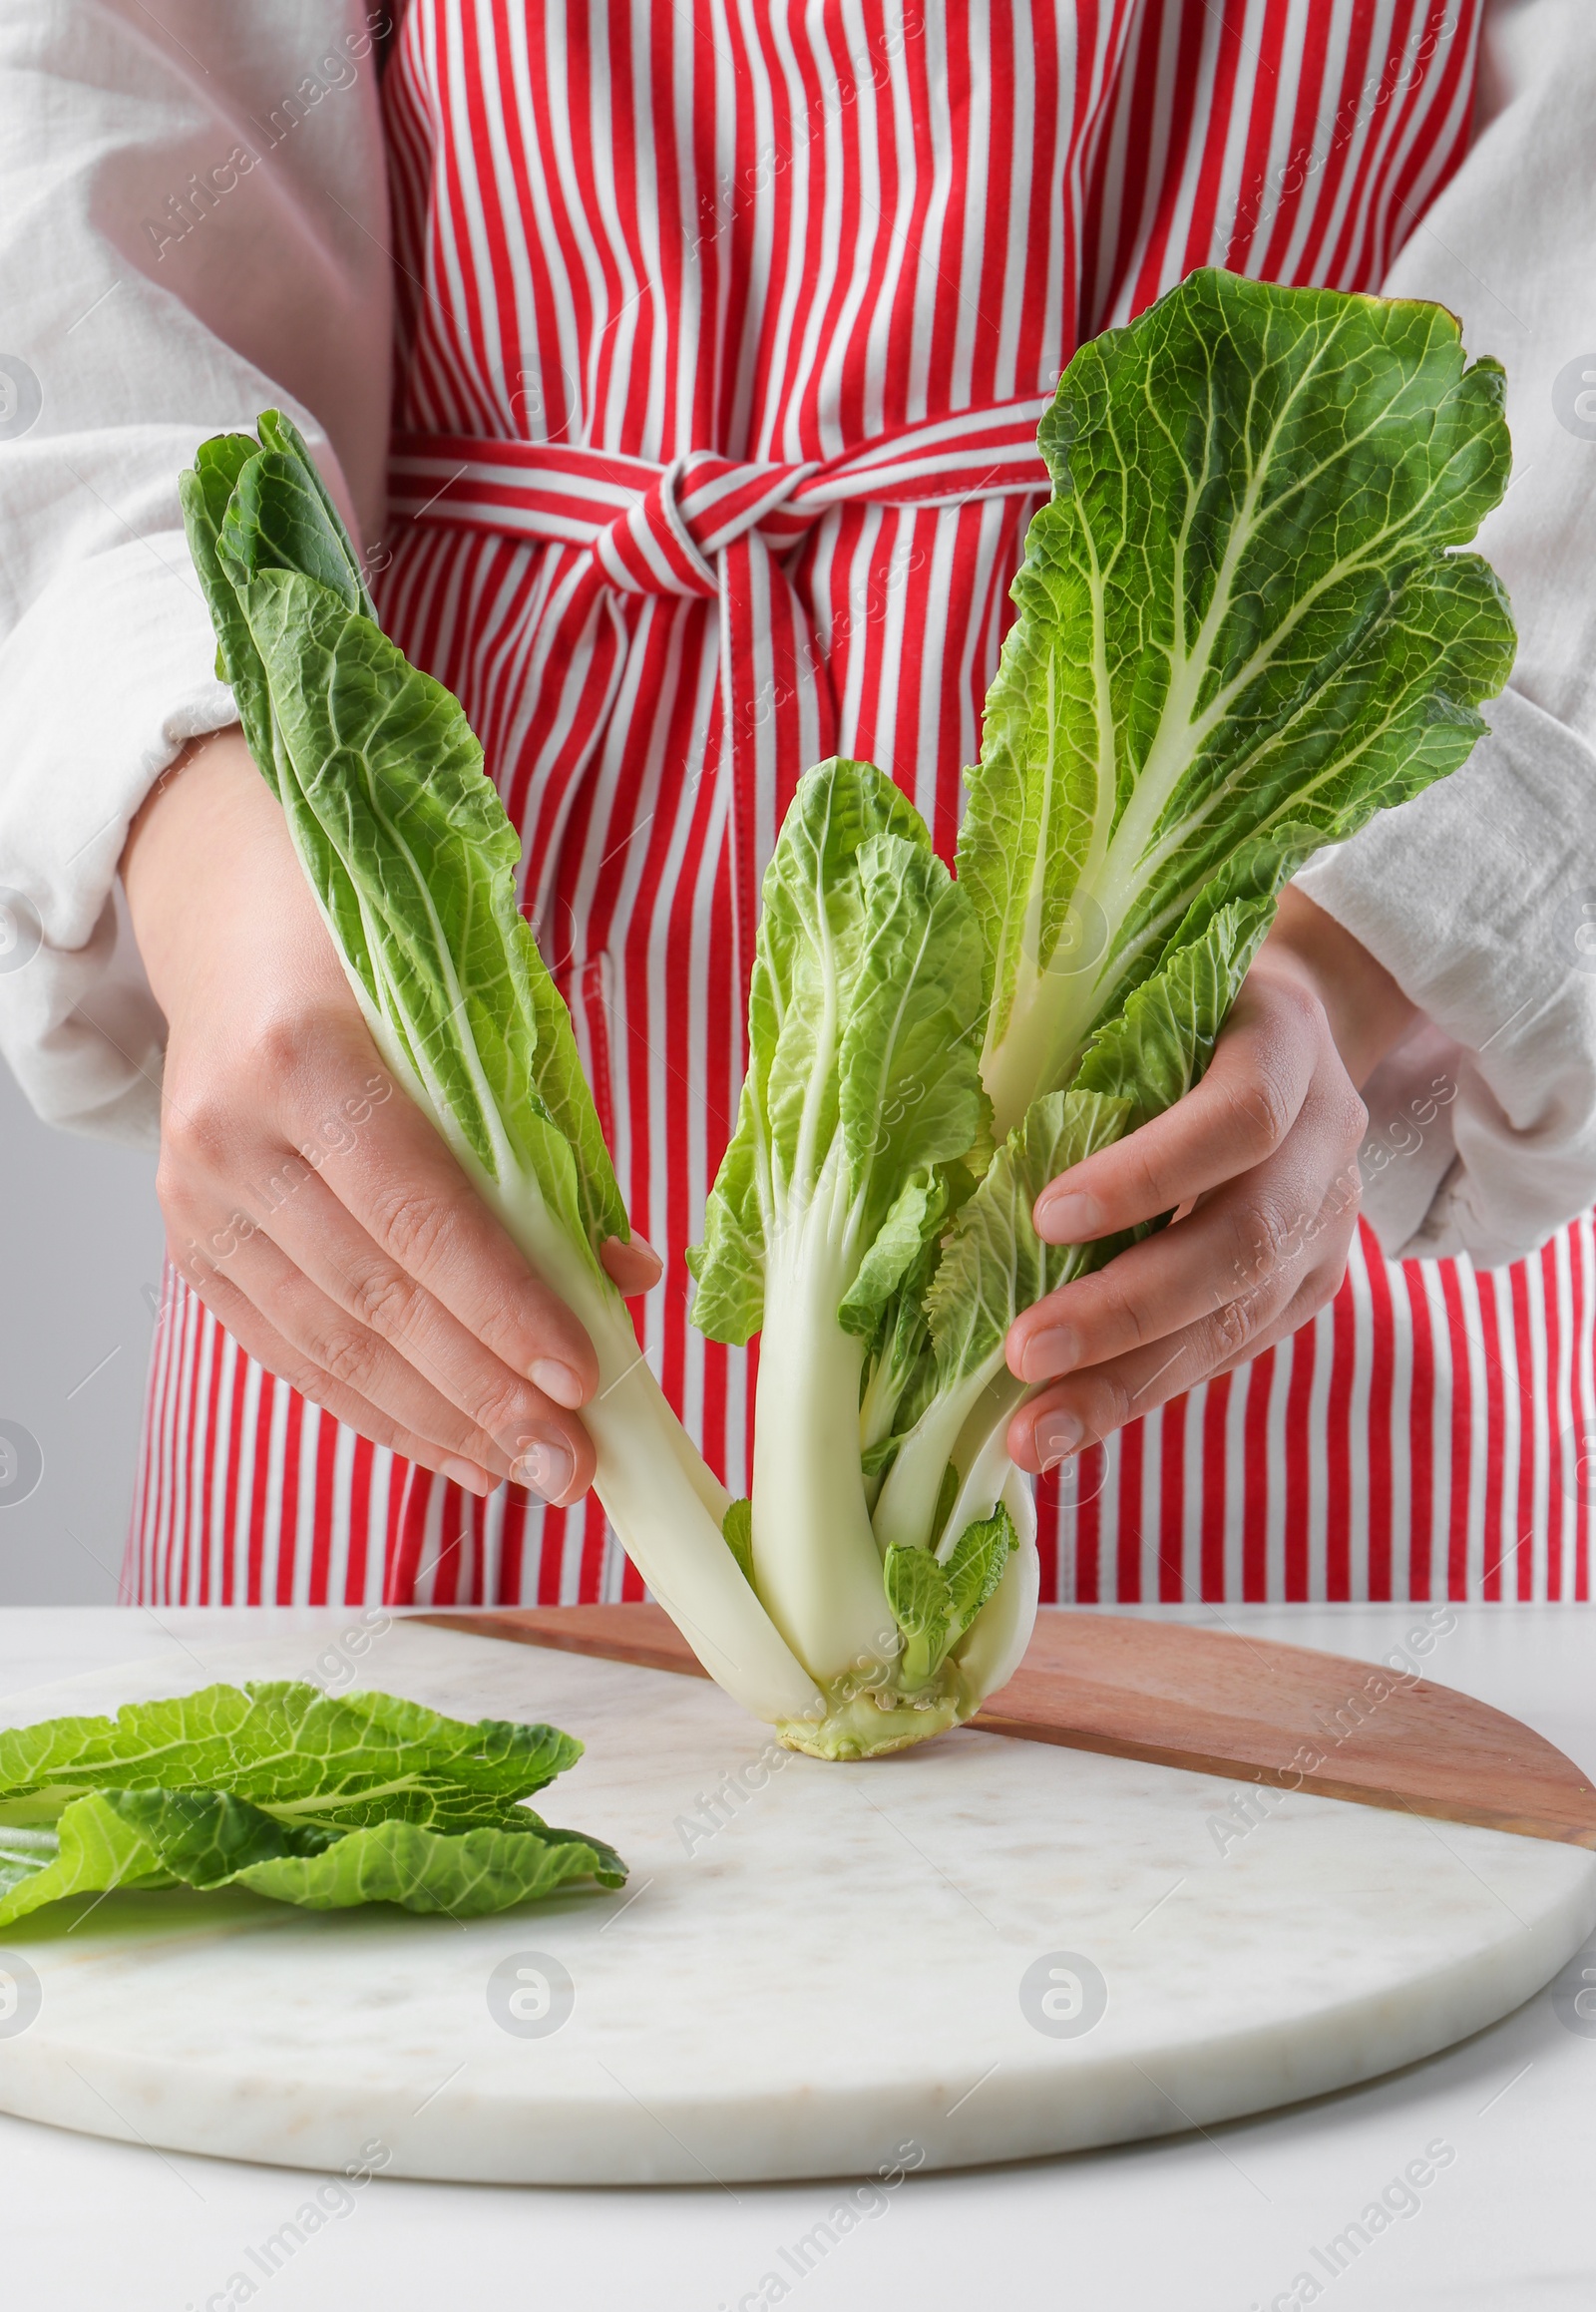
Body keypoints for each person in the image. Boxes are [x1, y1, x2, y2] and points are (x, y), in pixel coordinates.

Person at [2, 0, 1593, 1610]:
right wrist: (230, 889)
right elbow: (83, 221)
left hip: (1296, 1060)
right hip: (404, 1037)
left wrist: (1331, 958)